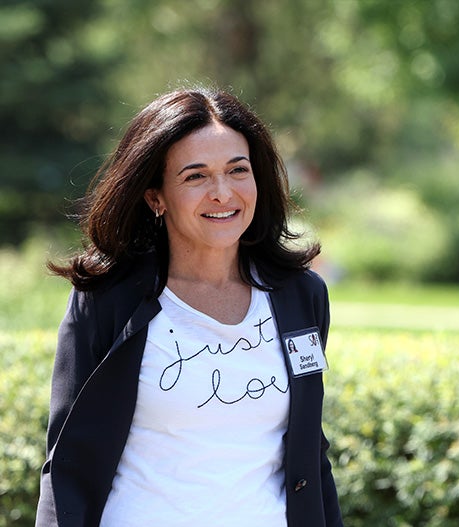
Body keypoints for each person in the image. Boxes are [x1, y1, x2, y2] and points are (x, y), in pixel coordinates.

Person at [37, 87, 343, 526]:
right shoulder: (107, 300)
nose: (223, 193)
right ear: (155, 197)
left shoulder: (301, 296)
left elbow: (310, 452)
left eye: (238, 170)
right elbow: (67, 462)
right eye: (195, 176)